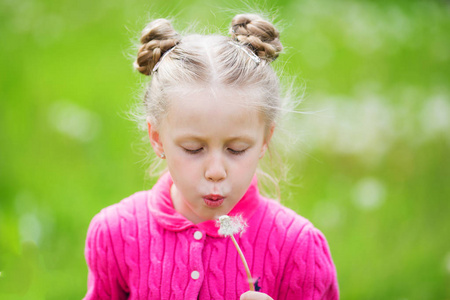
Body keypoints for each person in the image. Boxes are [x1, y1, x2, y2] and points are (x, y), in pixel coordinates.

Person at [83, 13, 339, 300]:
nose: (216, 171)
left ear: (265, 139)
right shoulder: (117, 233)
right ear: (157, 138)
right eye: (194, 149)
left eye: (236, 149)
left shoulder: (297, 247)